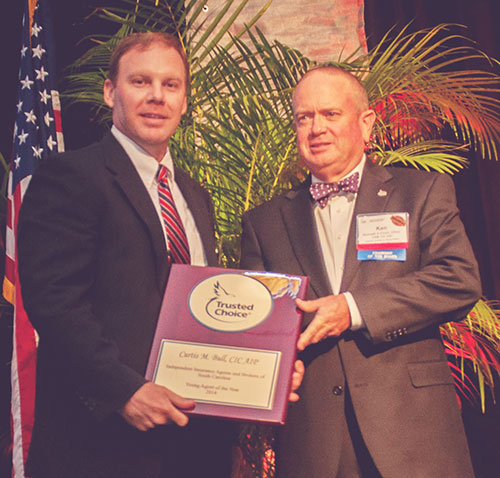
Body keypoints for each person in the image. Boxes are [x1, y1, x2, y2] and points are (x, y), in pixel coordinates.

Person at [240, 66, 482, 478]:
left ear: (365, 123)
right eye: (304, 117)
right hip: (314, 439)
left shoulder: (421, 192)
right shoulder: (263, 222)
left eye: (331, 114)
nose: (316, 128)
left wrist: (352, 309)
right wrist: (274, 370)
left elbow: (458, 279)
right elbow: (259, 327)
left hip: (411, 431)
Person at [17, 32, 234, 478]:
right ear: (110, 92)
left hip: (191, 441)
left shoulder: (195, 196)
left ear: (185, 100)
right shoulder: (70, 176)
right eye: (141, 81)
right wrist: (123, 391)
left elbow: (204, 308)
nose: (157, 96)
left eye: (171, 85)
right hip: (102, 445)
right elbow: (55, 304)